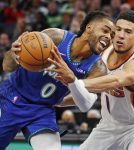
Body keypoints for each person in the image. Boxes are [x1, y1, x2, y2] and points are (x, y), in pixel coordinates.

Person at [0, 11, 114, 149]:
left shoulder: (98, 68)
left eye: (112, 35)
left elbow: (85, 104)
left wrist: (71, 83)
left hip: (41, 111)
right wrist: (13, 54)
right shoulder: (56, 37)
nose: (109, 37)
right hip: (11, 97)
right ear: (89, 28)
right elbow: (7, 67)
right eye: (105, 30)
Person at [47, 10, 134, 150]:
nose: (120, 35)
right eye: (118, 29)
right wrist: (57, 101)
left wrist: (73, 81)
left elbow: (116, 80)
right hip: (107, 127)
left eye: (127, 31)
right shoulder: (104, 52)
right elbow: (87, 91)